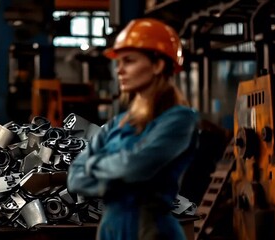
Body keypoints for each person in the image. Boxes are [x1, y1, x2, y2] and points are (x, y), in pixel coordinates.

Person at [67, 18, 199, 240]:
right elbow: (75, 179)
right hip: (110, 227)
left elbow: (134, 167)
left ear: (157, 65)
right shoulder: (117, 123)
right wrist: (118, 170)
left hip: (151, 229)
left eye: (129, 61)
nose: (119, 70)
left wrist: (94, 165)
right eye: (118, 62)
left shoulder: (179, 120)